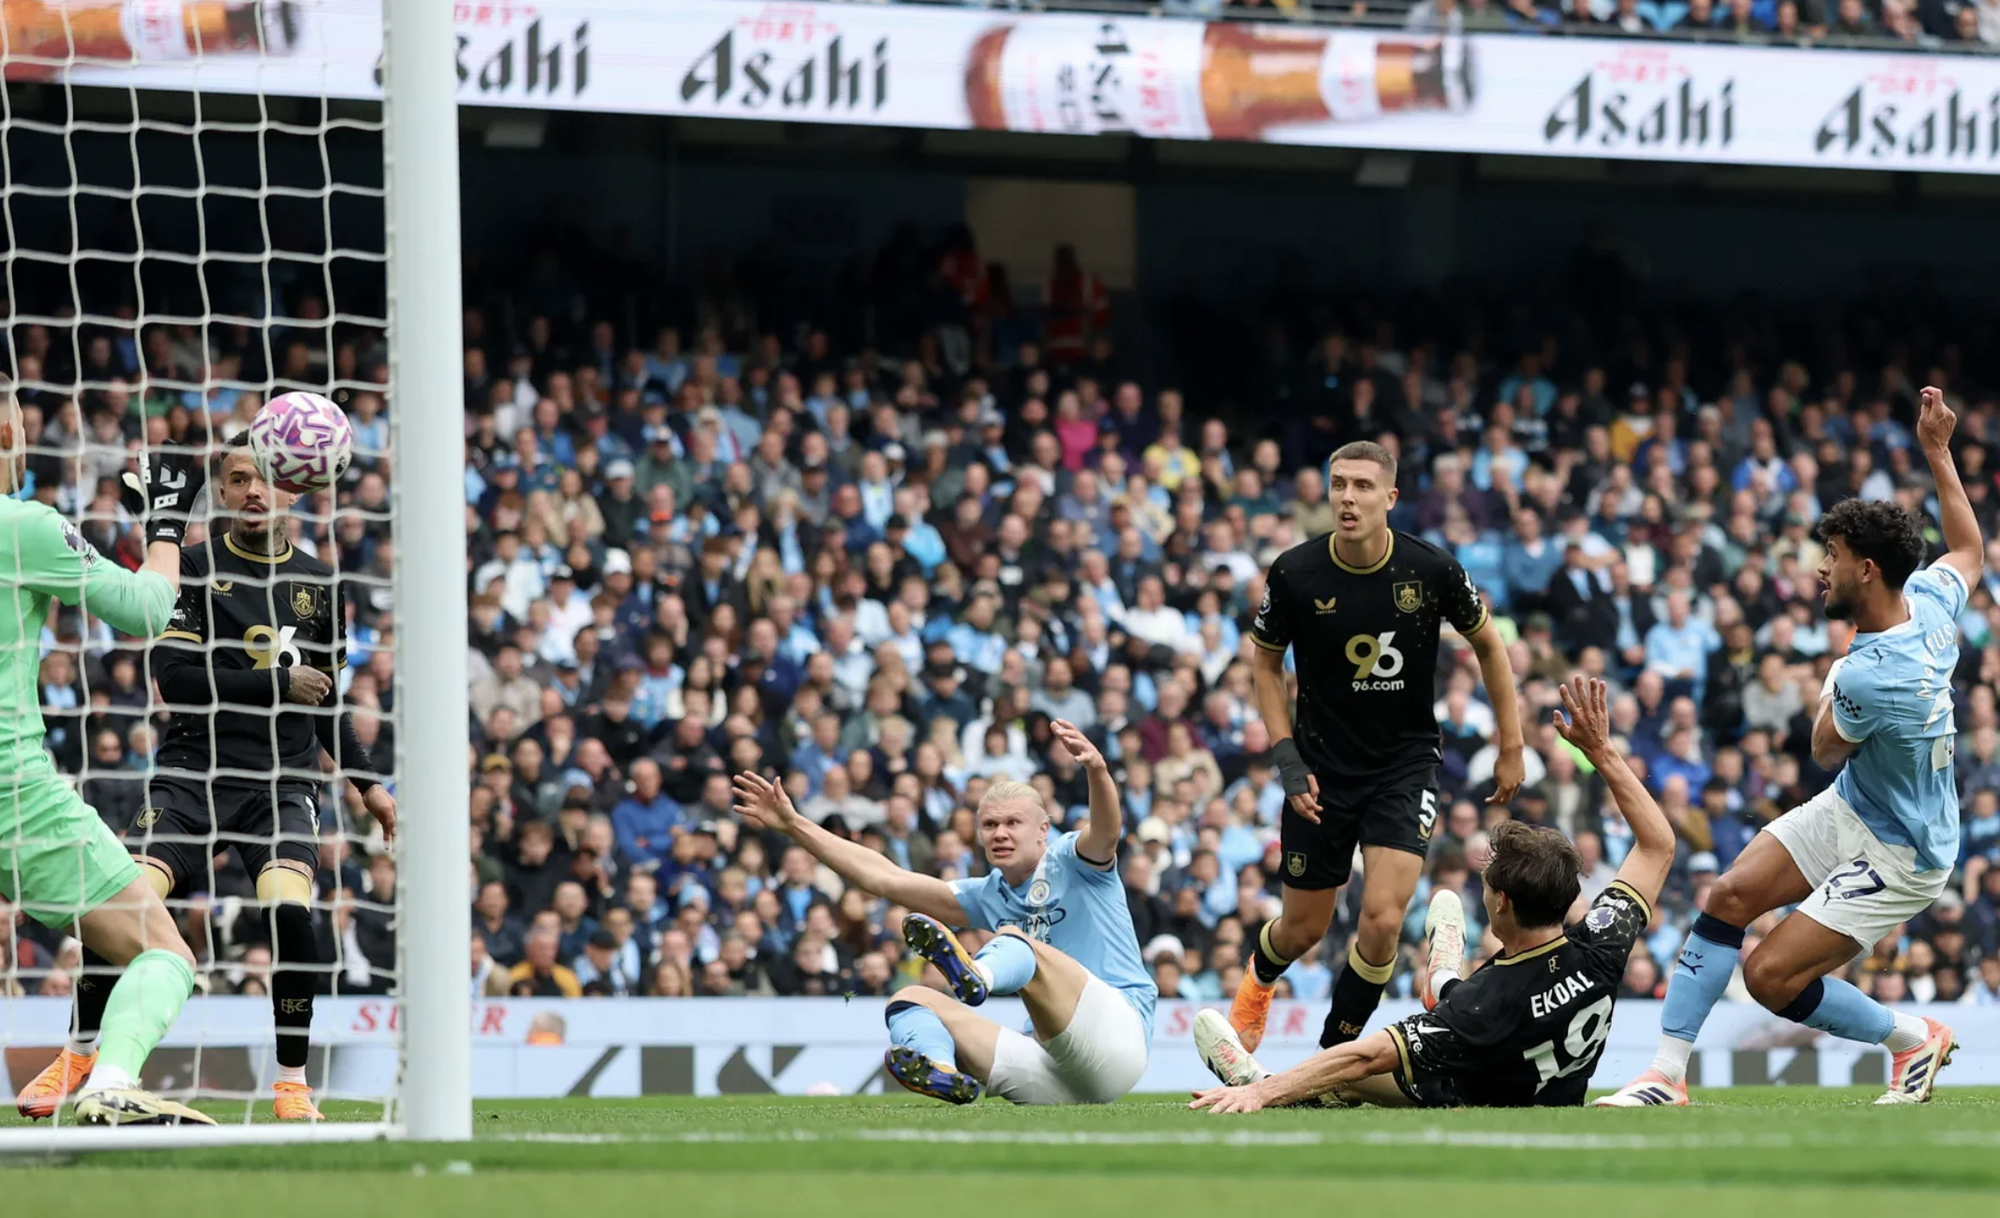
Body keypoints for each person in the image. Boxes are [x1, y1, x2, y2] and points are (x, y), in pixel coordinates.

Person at [1599, 386, 1973, 1108]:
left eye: (1830, 556)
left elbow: (1825, 747)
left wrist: (1829, 686)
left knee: (1772, 979)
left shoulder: (1870, 674)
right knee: (1730, 893)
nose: (1818, 571)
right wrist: (1937, 452)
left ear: (1866, 569)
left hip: (1905, 850)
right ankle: (1664, 1077)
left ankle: (1910, 1037)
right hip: (1861, 805)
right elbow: (1968, 547)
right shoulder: (1929, 599)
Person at [22, 440, 398, 1123]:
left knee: (290, 911)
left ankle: (290, 1082)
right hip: (192, 773)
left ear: (295, 487)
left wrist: (367, 785)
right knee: (131, 906)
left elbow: (330, 704)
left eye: (266, 480)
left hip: (281, 782)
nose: (253, 491)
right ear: (221, 492)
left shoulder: (320, 584)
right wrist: (277, 680)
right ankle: (79, 1052)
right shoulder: (191, 568)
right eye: (238, 480)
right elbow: (178, 681)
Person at [1190, 675, 1672, 1111]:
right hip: (1542, 1085)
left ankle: (1261, 1074)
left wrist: (1260, 1092)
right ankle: (1440, 978)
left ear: (1501, 901)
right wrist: (1603, 752)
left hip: (1465, 1089)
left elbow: (1366, 1055)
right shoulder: (1602, 945)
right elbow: (1657, 846)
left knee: (1353, 1082)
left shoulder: (1484, 1001)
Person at [1232, 440, 1525, 1053]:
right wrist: (1284, 756)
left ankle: (1331, 1053)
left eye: (1363, 486)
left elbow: (1490, 646)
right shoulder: (1294, 572)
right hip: (1317, 770)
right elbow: (1264, 663)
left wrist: (1512, 744)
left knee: (1384, 919)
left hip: (1404, 763)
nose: (1347, 497)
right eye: (1338, 483)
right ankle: (1258, 982)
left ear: (1389, 498)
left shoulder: (1432, 570)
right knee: (1302, 930)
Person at [730, 718, 1155, 1104]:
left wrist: (1098, 771)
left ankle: (977, 976)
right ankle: (943, 1070)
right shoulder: (988, 892)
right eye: (989, 826)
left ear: (1043, 829)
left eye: (1012, 823)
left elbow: (1106, 830)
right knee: (909, 1000)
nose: (1000, 833)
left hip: (1119, 1036)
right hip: (1056, 1071)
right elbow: (884, 879)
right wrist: (794, 825)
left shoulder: (1075, 860)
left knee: (1014, 940)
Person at [2, 400, 214, 1126]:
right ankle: (111, 1082)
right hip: (11, 793)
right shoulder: (22, 525)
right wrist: (164, 520)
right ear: (6, 430)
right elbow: (146, 609)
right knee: (164, 950)